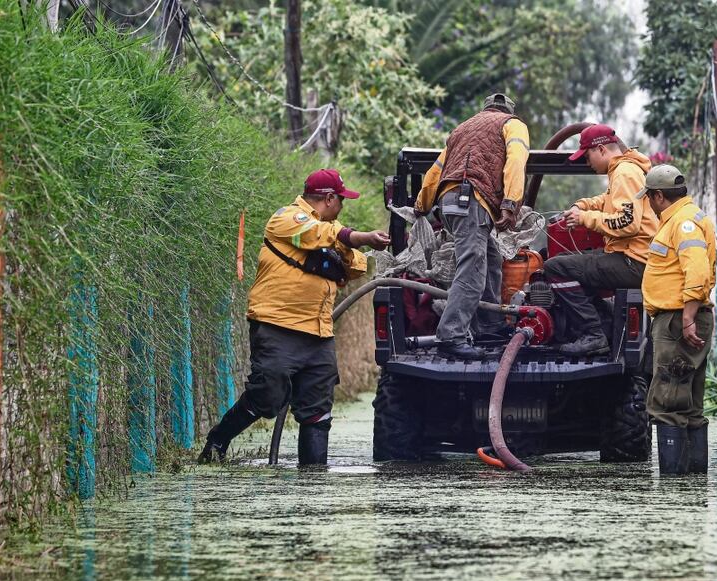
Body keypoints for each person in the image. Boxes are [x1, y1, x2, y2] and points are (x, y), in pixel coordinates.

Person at [198, 169, 390, 465]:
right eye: (341, 200)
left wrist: (349, 245)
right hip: (277, 326)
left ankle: (313, 481)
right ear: (329, 198)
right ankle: (217, 443)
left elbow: (356, 268)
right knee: (267, 394)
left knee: (317, 411)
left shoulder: (331, 229)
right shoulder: (286, 218)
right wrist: (356, 237)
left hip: (319, 333)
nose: (342, 206)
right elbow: (316, 234)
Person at [413, 93, 531, 361]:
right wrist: (511, 203)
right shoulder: (512, 124)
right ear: (507, 110)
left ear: (485, 109)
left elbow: (437, 169)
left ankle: (489, 326)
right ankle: (451, 336)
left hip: (449, 202)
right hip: (472, 200)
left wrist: (422, 202)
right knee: (473, 267)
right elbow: (515, 162)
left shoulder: (463, 128)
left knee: (490, 258)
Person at [545, 124, 659, 356]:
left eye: (587, 157)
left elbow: (628, 223)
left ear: (602, 150)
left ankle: (593, 334)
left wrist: (585, 218)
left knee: (554, 267)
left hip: (634, 262)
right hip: (633, 257)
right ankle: (605, 324)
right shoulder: (624, 170)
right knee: (568, 262)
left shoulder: (625, 173)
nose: (588, 163)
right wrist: (582, 205)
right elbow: (608, 200)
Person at [635, 164, 717, 474]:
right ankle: (693, 482)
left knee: (668, 401)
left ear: (658, 196)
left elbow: (695, 270)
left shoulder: (681, 223)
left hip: (677, 321)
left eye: (650, 199)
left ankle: (675, 485)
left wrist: (687, 319)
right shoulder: (690, 217)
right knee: (689, 404)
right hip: (684, 317)